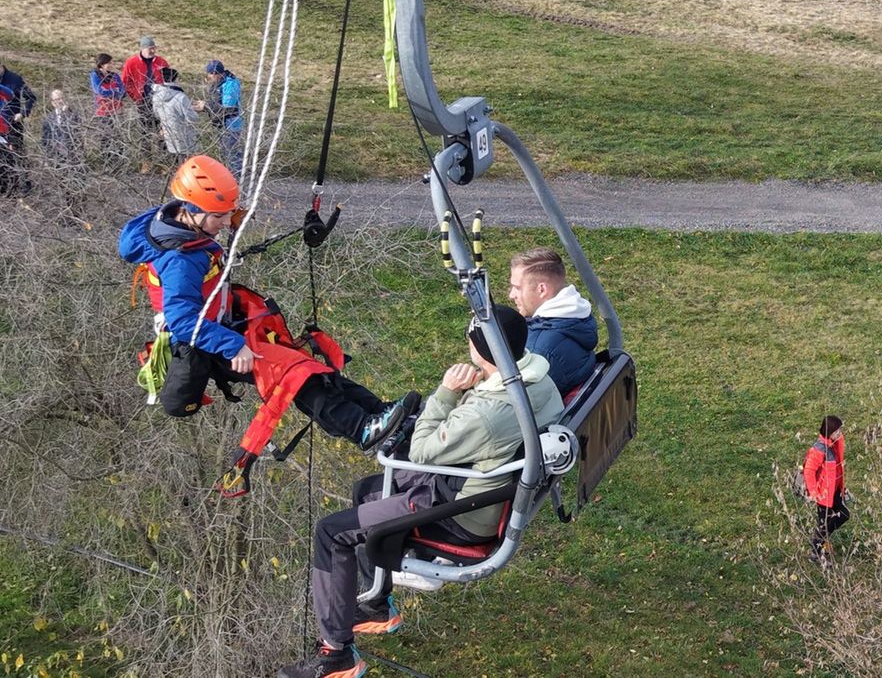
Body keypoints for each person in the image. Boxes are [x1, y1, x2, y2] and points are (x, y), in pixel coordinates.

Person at [279, 306, 566, 678]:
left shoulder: (487, 414)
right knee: (368, 490)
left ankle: (336, 655)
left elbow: (422, 451)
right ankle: (376, 602)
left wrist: (447, 393)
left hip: (456, 513)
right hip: (480, 490)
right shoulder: (539, 379)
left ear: (482, 349)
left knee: (331, 532)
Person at [117, 155, 414, 470]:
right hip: (205, 342)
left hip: (223, 325)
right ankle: (363, 430)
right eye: (219, 216)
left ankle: (377, 413)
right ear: (193, 212)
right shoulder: (180, 260)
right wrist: (233, 346)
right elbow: (182, 321)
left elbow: (215, 229)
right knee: (294, 375)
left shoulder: (174, 220)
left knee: (304, 363)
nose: (224, 222)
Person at [508, 247, 598, 394]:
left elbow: (517, 405)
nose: (512, 295)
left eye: (517, 288)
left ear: (542, 289)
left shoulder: (538, 351)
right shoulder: (577, 316)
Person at [803, 414, 848, 561]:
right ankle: (816, 550)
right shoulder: (820, 449)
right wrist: (815, 493)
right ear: (830, 432)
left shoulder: (834, 444)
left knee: (841, 516)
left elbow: (837, 469)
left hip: (833, 491)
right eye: (837, 431)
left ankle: (821, 542)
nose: (840, 434)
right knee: (826, 523)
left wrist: (842, 487)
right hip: (823, 495)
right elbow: (809, 471)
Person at [120, 35, 170, 148]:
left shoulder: (161, 62)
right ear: (142, 48)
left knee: (163, 130)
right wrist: (136, 96)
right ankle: (146, 161)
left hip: (161, 102)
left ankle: (163, 159)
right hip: (143, 102)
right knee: (145, 132)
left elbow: (169, 79)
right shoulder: (131, 63)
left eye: (154, 48)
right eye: (150, 48)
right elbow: (126, 82)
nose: (153, 51)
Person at [195, 59, 243, 172]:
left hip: (230, 124)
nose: (210, 76)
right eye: (209, 73)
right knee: (224, 152)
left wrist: (206, 106)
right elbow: (216, 103)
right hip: (220, 123)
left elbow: (227, 108)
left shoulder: (230, 85)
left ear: (219, 74)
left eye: (213, 74)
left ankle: (236, 177)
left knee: (231, 153)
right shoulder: (217, 83)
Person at [0, 61, 37, 196]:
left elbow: (30, 97)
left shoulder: (15, 79)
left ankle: (24, 183)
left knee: (17, 153)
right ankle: (4, 186)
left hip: (13, 124)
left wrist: (22, 113)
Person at [151, 67, 200, 158]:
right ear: (176, 79)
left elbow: (157, 115)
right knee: (187, 165)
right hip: (185, 138)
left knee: (175, 163)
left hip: (169, 137)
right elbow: (193, 118)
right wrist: (195, 109)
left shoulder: (156, 97)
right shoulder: (181, 97)